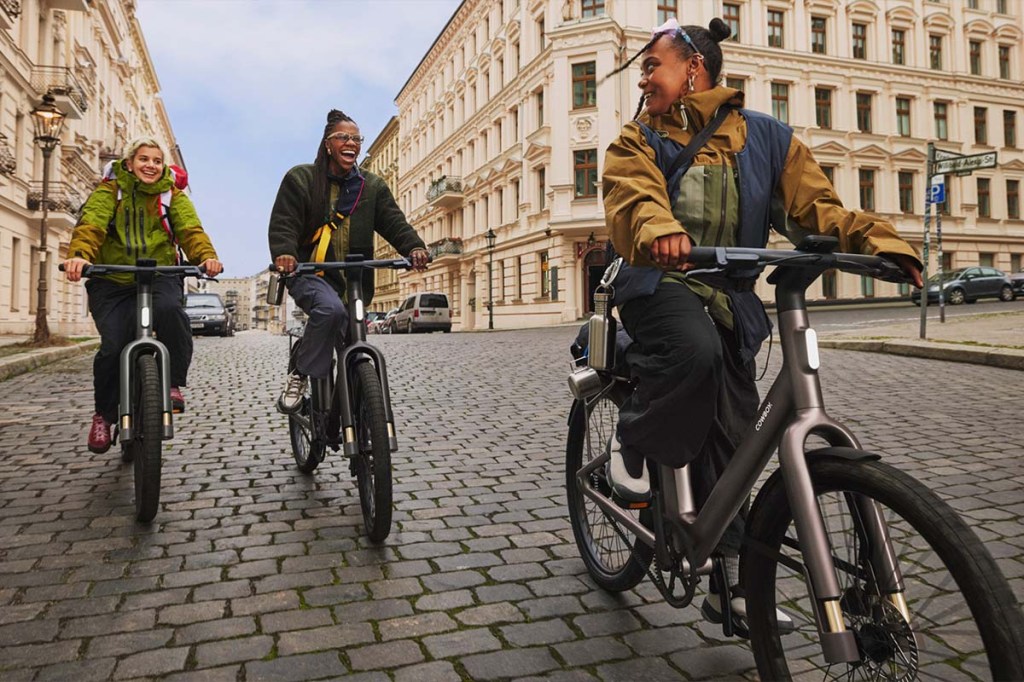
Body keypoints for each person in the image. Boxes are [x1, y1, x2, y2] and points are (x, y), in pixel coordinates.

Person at [601, 18, 923, 626]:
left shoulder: (769, 139)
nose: (644, 79)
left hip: (729, 295)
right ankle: (634, 444)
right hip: (660, 281)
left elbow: (817, 208)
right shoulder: (638, 138)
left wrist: (879, 244)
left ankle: (728, 584)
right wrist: (659, 228)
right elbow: (631, 196)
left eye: (653, 66)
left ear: (693, 67)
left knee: (735, 432)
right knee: (693, 354)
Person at [64, 137, 223, 453]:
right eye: (144, 159)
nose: (150, 165)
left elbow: (191, 231)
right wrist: (80, 255)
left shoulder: (172, 196)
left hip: (159, 275)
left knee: (172, 314)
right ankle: (103, 415)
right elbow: (91, 225)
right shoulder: (109, 192)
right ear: (129, 163)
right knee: (113, 346)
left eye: (156, 160)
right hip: (112, 280)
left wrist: (205, 257)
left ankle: (173, 383)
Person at [268, 110, 428, 412]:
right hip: (311, 274)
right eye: (343, 137)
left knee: (353, 340)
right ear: (328, 143)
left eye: (356, 138)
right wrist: (285, 253)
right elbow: (284, 223)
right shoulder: (300, 178)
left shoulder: (372, 186)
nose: (351, 142)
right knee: (328, 310)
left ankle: (357, 418)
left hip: (354, 280)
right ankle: (300, 374)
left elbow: (394, 222)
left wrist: (414, 247)